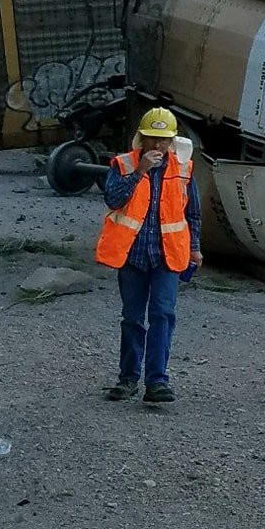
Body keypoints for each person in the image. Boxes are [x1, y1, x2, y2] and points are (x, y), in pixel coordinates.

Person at [94, 106, 202, 405]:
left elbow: (192, 213)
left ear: (172, 141)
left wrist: (195, 248)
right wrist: (140, 171)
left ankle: (157, 382)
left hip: (168, 256)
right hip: (132, 256)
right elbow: (114, 199)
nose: (157, 145)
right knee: (132, 318)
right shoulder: (124, 165)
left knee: (163, 316)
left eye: (163, 139)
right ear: (141, 137)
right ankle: (128, 378)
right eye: (152, 138)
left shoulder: (183, 168)